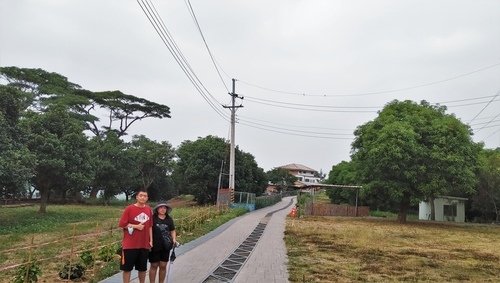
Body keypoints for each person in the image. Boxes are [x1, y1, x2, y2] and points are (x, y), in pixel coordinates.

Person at [118, 189, 153, 283]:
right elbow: (122, 224)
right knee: (127, 269)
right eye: (141, 195)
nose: (143, 197)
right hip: (130, 245)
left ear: (147, 198)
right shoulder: (129, 209)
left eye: (145, 196)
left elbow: (150, 226)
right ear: (137, 197)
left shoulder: (148, 209)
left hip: (144, 244)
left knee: (142, 269)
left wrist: (151, 241)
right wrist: (136, 226)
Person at [149, 202, 177, 283]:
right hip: (155, 245)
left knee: (163, 265)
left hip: (166, 245)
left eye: (164, 208)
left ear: (166, 209)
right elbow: (149, 230)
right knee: (154, 265)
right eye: (160, 207)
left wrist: (174, 239)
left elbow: (172, 230)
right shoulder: (153, 218)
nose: (162, 209)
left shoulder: (169, 219)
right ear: (157, 209)